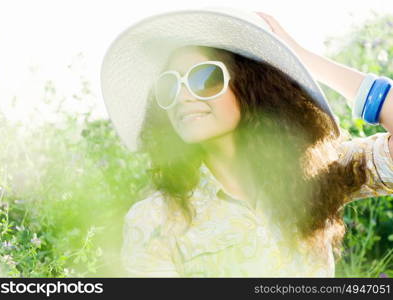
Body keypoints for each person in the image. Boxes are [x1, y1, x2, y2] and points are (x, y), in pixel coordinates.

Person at [100, 8, 393, 277]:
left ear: (250, 85)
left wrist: (303, 60)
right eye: (170, 84)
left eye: (204, 78)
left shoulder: (316, 172)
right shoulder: (156, 220)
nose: (183, 95)